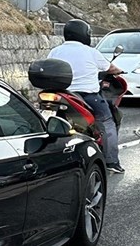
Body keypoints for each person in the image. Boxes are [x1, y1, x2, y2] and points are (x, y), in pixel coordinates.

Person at [48, 19, 125, 174]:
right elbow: (109, 67)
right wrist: (118, 71)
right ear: (85, 34)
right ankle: (111, 161)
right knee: (107, 122)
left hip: (62, 95)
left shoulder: (55, 51)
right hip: (88, 96)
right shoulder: (91, 52)